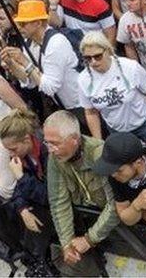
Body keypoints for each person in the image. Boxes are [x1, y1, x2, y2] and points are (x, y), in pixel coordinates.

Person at [43, 110, 119, 269]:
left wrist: (89, 239)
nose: (50, 149)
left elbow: (116, 204)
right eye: (47, 143)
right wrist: (67, 244)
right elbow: (58, 201)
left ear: (75, 139)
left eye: (55, 143)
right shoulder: (55, 158)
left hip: (113, 222)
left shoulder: (99, 153)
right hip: (88, 217)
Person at [77, 31, 146, 144]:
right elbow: (91, 112)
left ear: (107, 50)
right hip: (117, 131)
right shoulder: (83, 79)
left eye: (98, 56)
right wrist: (98, 141)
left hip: (145, 124)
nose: (93, 62)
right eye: (88, 58)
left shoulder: (130, 67)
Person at [0, 0, 85, 118]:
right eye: (19, 23)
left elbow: (50, 88)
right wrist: (11, 64)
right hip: (62, 104)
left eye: (24, 23)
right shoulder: (29, 43)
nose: (19, 27)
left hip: (79, 104)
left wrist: (24, 61)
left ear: (38, 23)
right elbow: (29, 81)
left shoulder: (56, 43)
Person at [0, 109, 56, 276]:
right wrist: (22, 209)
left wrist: (21, 177)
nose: (10, 153)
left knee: (36, 211)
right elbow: (19, 190)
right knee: (14, 208)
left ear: (26, 139)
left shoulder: (47, 152)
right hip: (41, 196)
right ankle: (39, 259)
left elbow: (49, 196)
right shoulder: (20, 155)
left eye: (13, 148)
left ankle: (40, 260)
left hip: (61, 198)